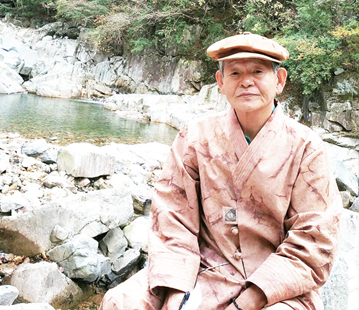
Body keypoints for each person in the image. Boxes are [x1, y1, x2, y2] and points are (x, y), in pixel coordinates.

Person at [100, 32, 341, 310]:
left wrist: (247, 301)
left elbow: (314, 239)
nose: (246, 81)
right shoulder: (195, 136)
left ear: (279, 80)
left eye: (258, 71)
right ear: (221, 83)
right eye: (235, 73)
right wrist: (177, 291)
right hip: (202, 269)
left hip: (276, 284)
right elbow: (172, 217)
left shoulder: (306, 147)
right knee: (121, 301)